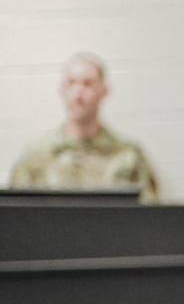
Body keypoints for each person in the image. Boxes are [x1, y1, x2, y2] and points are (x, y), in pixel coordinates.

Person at [8, 52, 159, 202]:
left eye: (87, 83)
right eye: (71, 83)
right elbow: (15, 217)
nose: (77, 94)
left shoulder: (128, 156)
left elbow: (150, 217)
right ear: (62, 89)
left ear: (104, 91)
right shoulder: (35, 156)